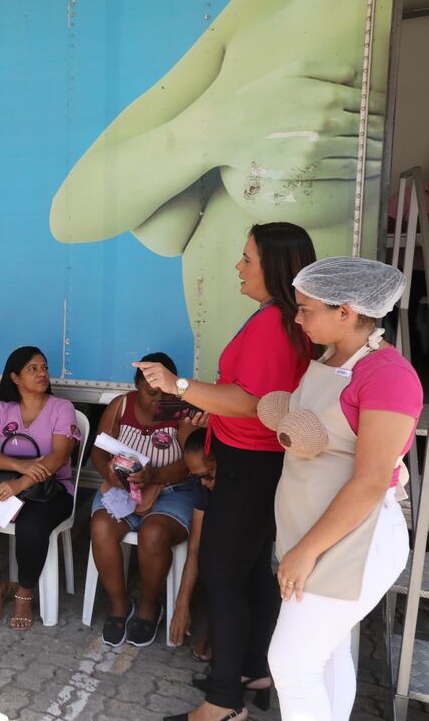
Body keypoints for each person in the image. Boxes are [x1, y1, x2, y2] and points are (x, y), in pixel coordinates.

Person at [50, 0, 390, 379]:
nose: (239, 266)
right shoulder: (262, 3)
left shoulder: (373, 12)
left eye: (248, 258)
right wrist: (213, 130)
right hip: (225, 398)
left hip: (302, 404)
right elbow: (72, 213)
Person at [136, 223, 316, 721]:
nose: (238, 267)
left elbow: (251, 400)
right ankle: (251, 670)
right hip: (257, 462)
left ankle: (223, 703)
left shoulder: (274, 322)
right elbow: (253, 399)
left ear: (275, 268)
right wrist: (210, 410)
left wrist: (180, 385)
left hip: (249, 468)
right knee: (252, 573)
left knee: (222, 575)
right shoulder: (280, 321)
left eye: (248, 259)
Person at [264, 258, 418, 719]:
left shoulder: (388, 376)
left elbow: (371, 482)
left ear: (346, 312)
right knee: (325, 655)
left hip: (354, 540)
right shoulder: (330, 359)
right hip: (318, 533)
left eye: (306, 309)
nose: (298, 318)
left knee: (290, 665)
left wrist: (306, 550)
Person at [0, 346, 81, 631]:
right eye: (33, 369)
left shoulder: (62, 408)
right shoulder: (3, 409)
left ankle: (26, 591)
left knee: (31, 529)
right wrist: (20, 466)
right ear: (15, 377)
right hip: (4, 483)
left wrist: (22, 483)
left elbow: (58, 457)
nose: (42, 374)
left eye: (44, 367)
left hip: (50, 489)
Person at [89, 353, 199, 648]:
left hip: (172, 491)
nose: (158, 398)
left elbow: (192, 461)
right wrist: (109, 474)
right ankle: (118, 606)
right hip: (123, 489)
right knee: (101, 527)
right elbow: (98, 451)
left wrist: (154, 475)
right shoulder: (121, 406)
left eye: (165, 390)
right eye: (151, 392)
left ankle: (150, 607)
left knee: (153, 534)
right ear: (137, 387)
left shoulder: (180, 409)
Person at [170, 429, 216, 666]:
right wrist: (181, 604)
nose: (204, 483)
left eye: (208, 475)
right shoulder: (202, 485)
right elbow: (195, 546)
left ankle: (216, 630)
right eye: (195, 477)